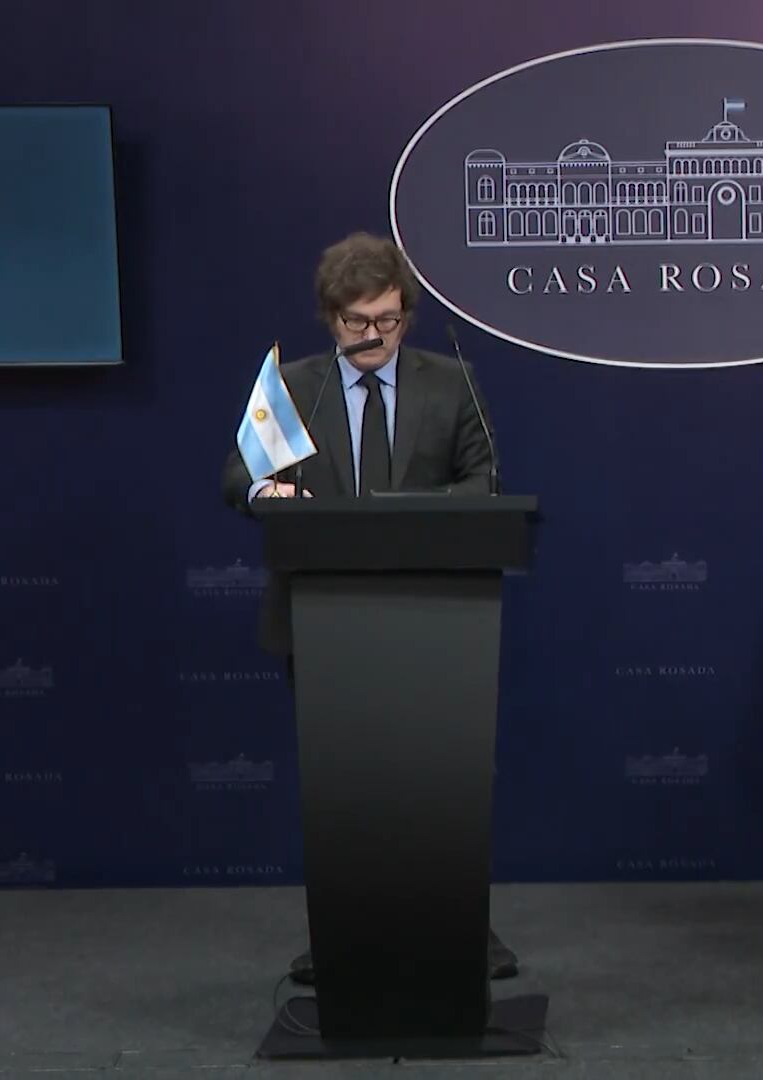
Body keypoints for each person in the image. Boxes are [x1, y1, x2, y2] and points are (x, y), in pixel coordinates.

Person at [218, 231, 517, 985]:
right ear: (330, 318)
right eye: (357, 322)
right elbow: (238, 475)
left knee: (436, 789)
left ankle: (462, 935)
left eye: (387, 319)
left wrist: (403, 514)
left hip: (433, 617)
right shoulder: (293, 385)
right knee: (342, 795)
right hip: (319, 621)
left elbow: (486, 482)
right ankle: (343, 939)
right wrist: (267, 491)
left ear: (407, 314)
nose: (373, 336)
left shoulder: (451, 382)